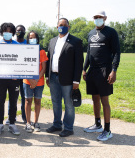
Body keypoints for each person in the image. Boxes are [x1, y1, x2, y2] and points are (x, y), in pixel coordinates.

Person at [83, 11, 120, 141]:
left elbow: (116, 52)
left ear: (105, 18)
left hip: (105, 70)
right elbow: (88, 52)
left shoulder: (111, 32)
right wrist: (84, 68)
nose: (98, 19)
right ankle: (98, 124)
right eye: (96, 17)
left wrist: (114, 70)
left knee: (105, 100)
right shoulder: (91, 33)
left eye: (100, 17)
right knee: (95, 98)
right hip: (92, 70)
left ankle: (107, 130)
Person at [45, 18, 84, 137]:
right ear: (57, 27)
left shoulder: (76, 42)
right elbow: (49, 59)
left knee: (68, 104)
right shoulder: (52, 41)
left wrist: (76, 81)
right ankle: (57, 124)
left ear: (69, 27)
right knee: (56, 102)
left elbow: (79, 63)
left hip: (68, 79)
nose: (62, 26)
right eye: (60, 25)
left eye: (64, 25)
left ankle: (68, 128)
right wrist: (47, 76)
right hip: (53, 78)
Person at [0, 22, 20, 136]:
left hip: (14, 79)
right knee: (0, 101)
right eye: (6, 31)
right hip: (1, 79)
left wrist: (18, 74)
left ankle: (12, 123)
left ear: (13, 33)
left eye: (10, 32)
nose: (8, 33)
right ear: (1, 32)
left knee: (13, 102)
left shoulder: (18, 46)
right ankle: (0, 124)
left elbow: (20, 63)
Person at [24, 31, 48, 133]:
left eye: (34, 37)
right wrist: (30, 80)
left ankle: (36, 122)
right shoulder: (24, 50)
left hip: (39, 81)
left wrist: (36, 80)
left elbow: (44, 68)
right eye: (30, 38)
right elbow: (22, 66)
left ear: (37, 39)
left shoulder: (41, 51)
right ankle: (28, 123)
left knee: (37, 101)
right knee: (28, 101)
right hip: (27, 80)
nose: (32, 39)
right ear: (28, 39)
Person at [5, 24, 27, 125]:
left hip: (25, 76)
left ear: (24, 32)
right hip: (13, 76)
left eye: (21, 30)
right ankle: (11, 117)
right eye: (18, 30)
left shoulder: (29, 44)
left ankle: (25, 117)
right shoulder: (11, 44)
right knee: (12, 98)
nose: (19, 32)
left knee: (24, 97)